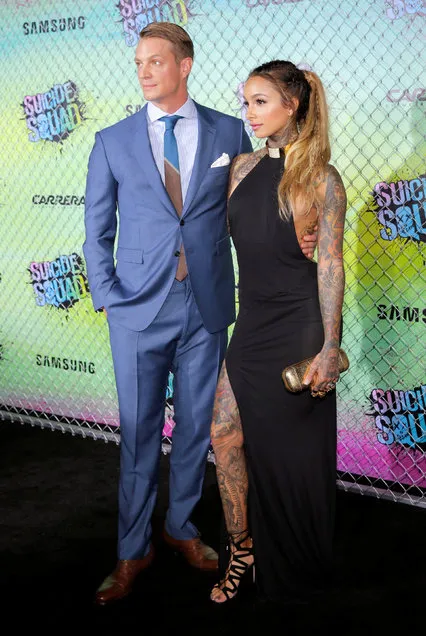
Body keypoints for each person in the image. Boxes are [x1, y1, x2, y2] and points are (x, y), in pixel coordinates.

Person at [83, 24, 317, 606]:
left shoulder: (229, 129)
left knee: (195, 429)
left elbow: (263, 194)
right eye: (138, 61)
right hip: (137, 310)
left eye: (156, 61)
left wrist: (305, 228)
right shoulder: (111, 141)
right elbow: (96, 231)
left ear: (185, 65)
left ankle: (182, 528)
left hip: (206, 306)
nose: (143, 71)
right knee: (139, 435)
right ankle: (132, 549)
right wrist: (110, 296)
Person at [209, 60, 346, 606]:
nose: (250, 113)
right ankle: (242, 549)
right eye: (246, 102)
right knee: (224, 435)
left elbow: (331, 264)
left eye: (261, 101)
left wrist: (330, 346)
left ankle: (291, 559)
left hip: (298, 325)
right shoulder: (240, 168)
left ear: (293, 105)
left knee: (291, 453)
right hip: (252, 323)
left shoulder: (321, 178)